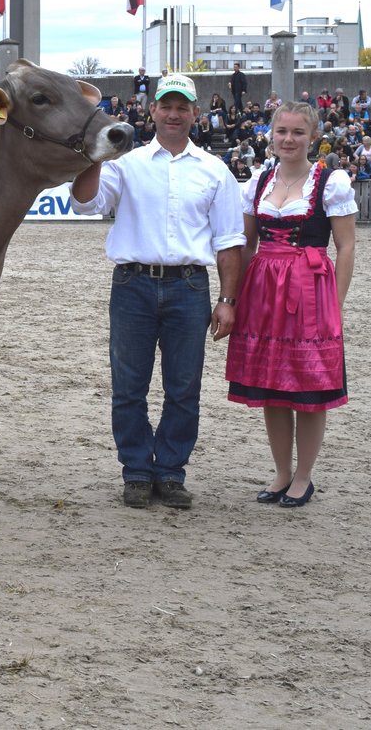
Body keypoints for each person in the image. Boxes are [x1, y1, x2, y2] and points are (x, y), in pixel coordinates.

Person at [71, 73, 245, 509]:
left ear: (195, 114)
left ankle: (170, 470)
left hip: (189, 285)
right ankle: (135, 470)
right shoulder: (124, 165)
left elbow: (228, 241)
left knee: (183, 388)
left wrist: (227, 300)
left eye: (181, 107)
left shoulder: (214, 170)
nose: (173, 114)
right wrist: (95, 154)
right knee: (128, 386)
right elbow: (85, 203)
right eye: (166, 106)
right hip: (133, 282)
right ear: (152, 112)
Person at [226, 102, 355, 509]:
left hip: (309, 289)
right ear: (271, 133)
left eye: (298, 132)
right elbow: (247, 244)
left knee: (310, 384)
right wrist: (234, 297)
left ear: (313, 136)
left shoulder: (331, 181)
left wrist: (335, 302)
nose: (288, 139)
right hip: (264, 290)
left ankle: (303, 477)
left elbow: (346, 246)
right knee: (272, 386)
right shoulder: (259, 180)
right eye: (282, 131)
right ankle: (282, 472)